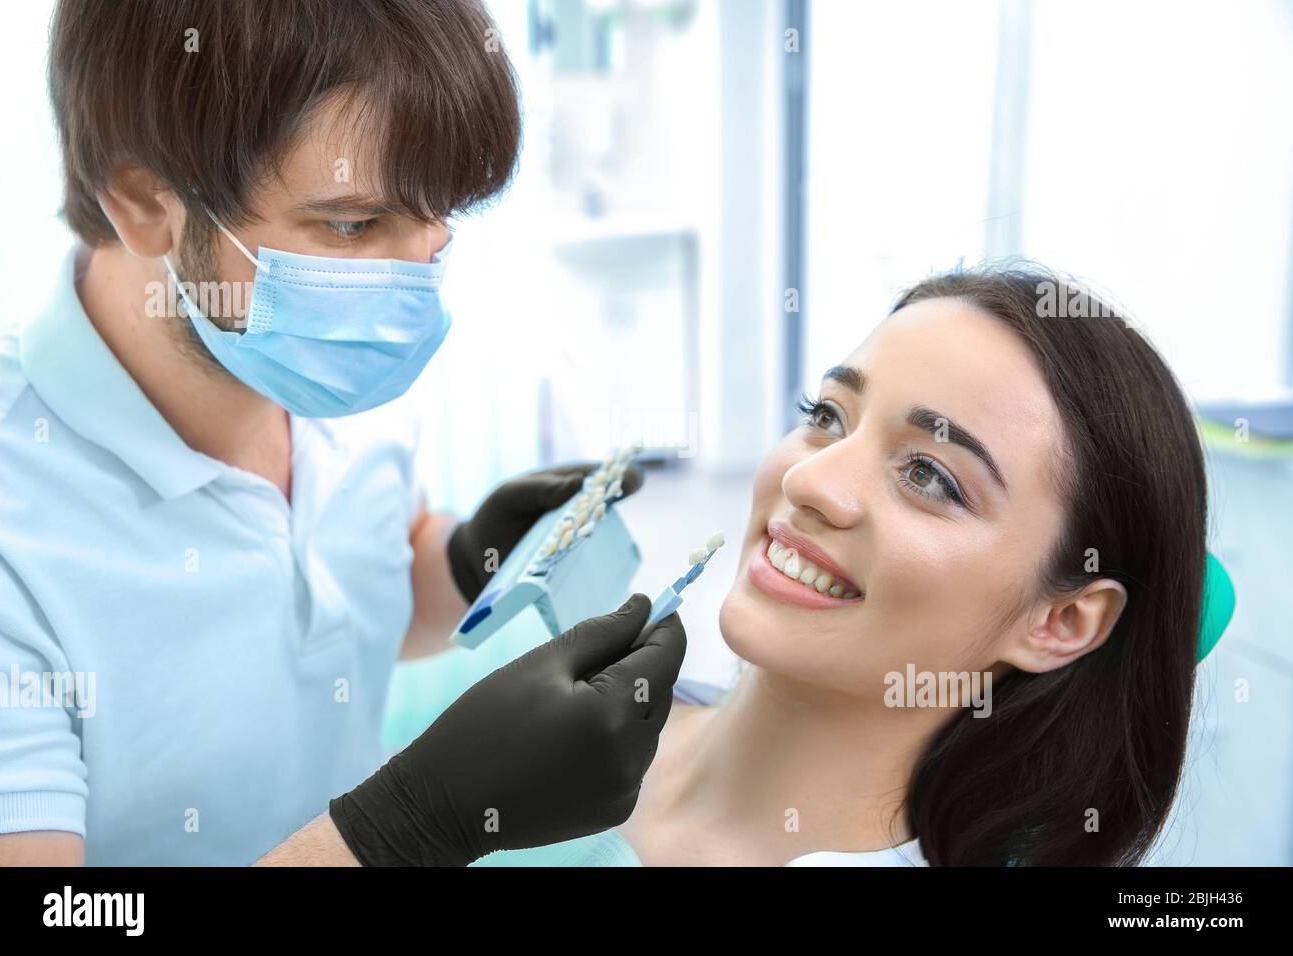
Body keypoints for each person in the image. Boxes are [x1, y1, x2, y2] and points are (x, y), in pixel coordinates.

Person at [0, 0, 685, 867]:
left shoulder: (323, 367)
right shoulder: (12, 534)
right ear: (142, 202)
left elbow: (350, 610)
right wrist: (409, 825)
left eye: (438, 219)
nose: (408, 289)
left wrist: (463, 561)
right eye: (353, 225)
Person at [476, 264, 1208, 866]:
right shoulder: (551, 731)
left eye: (928, 475)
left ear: (1061, 620)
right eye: (827, 416)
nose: (808, 481)